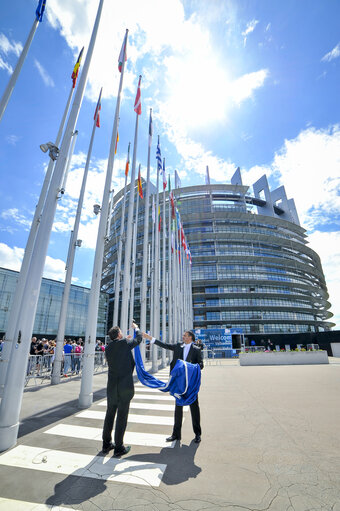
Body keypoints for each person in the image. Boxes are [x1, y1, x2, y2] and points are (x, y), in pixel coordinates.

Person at [143, 330, 203, 444]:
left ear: (190, 337)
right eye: (183, 335)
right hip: (179, 383)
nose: (183, 337)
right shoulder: (177, 346)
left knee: (194, 408)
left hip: (190, 384)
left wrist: (190, 367)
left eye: (185, 336)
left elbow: (201, 364)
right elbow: (164, 345)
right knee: (178, 408)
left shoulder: (196, 350)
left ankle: (197, 434)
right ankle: (176, 435)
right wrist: (151, 338)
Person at [102, 322, 142, 457]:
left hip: (112, 387)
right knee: (121, 417)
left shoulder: (108, 348)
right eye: (121, 331)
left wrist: (126, 341)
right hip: (125, 387)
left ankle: (106, 444)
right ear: (119, 334)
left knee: (109, 415)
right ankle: (119, 447)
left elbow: (121, 353)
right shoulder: (124, 343)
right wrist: (136, 328)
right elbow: (139, 339)